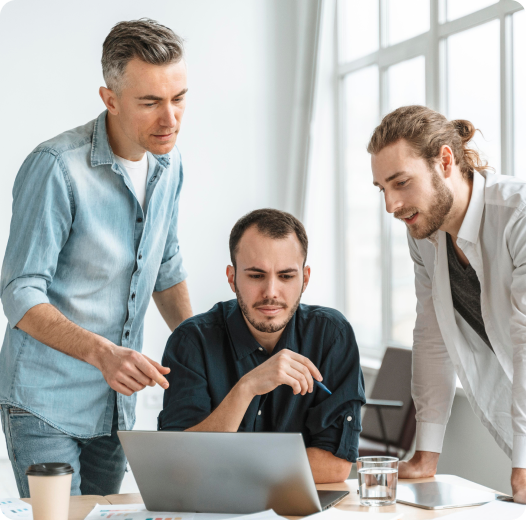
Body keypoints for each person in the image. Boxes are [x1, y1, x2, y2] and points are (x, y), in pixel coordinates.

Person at [0, 19, 193, 497]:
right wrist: (103, 354)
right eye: (150, 102)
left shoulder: (169, 166)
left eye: (179, 98)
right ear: (110, 99)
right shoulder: (55, 167)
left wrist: (205, 349)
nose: (170, 118)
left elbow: (165, 266)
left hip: (115, 406)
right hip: (45, 402)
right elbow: (19, 291)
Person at [368, 105, 526, 502]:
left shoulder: (518, 216)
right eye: (382, 189)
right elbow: (432, 333)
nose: (391, 205)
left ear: (444, 160)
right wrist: (426, 454)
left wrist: (522, 464)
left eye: (401, 183)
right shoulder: (424, 235)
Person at [158, 209, 365, 483]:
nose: (271, 292)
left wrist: (225, 465)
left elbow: (335, 465)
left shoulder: (331, 336)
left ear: (305, 278)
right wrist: (246, 388)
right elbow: (177, 463)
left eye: (286, 276)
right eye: (256, 276)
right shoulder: (191, 341)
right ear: (232, 278)